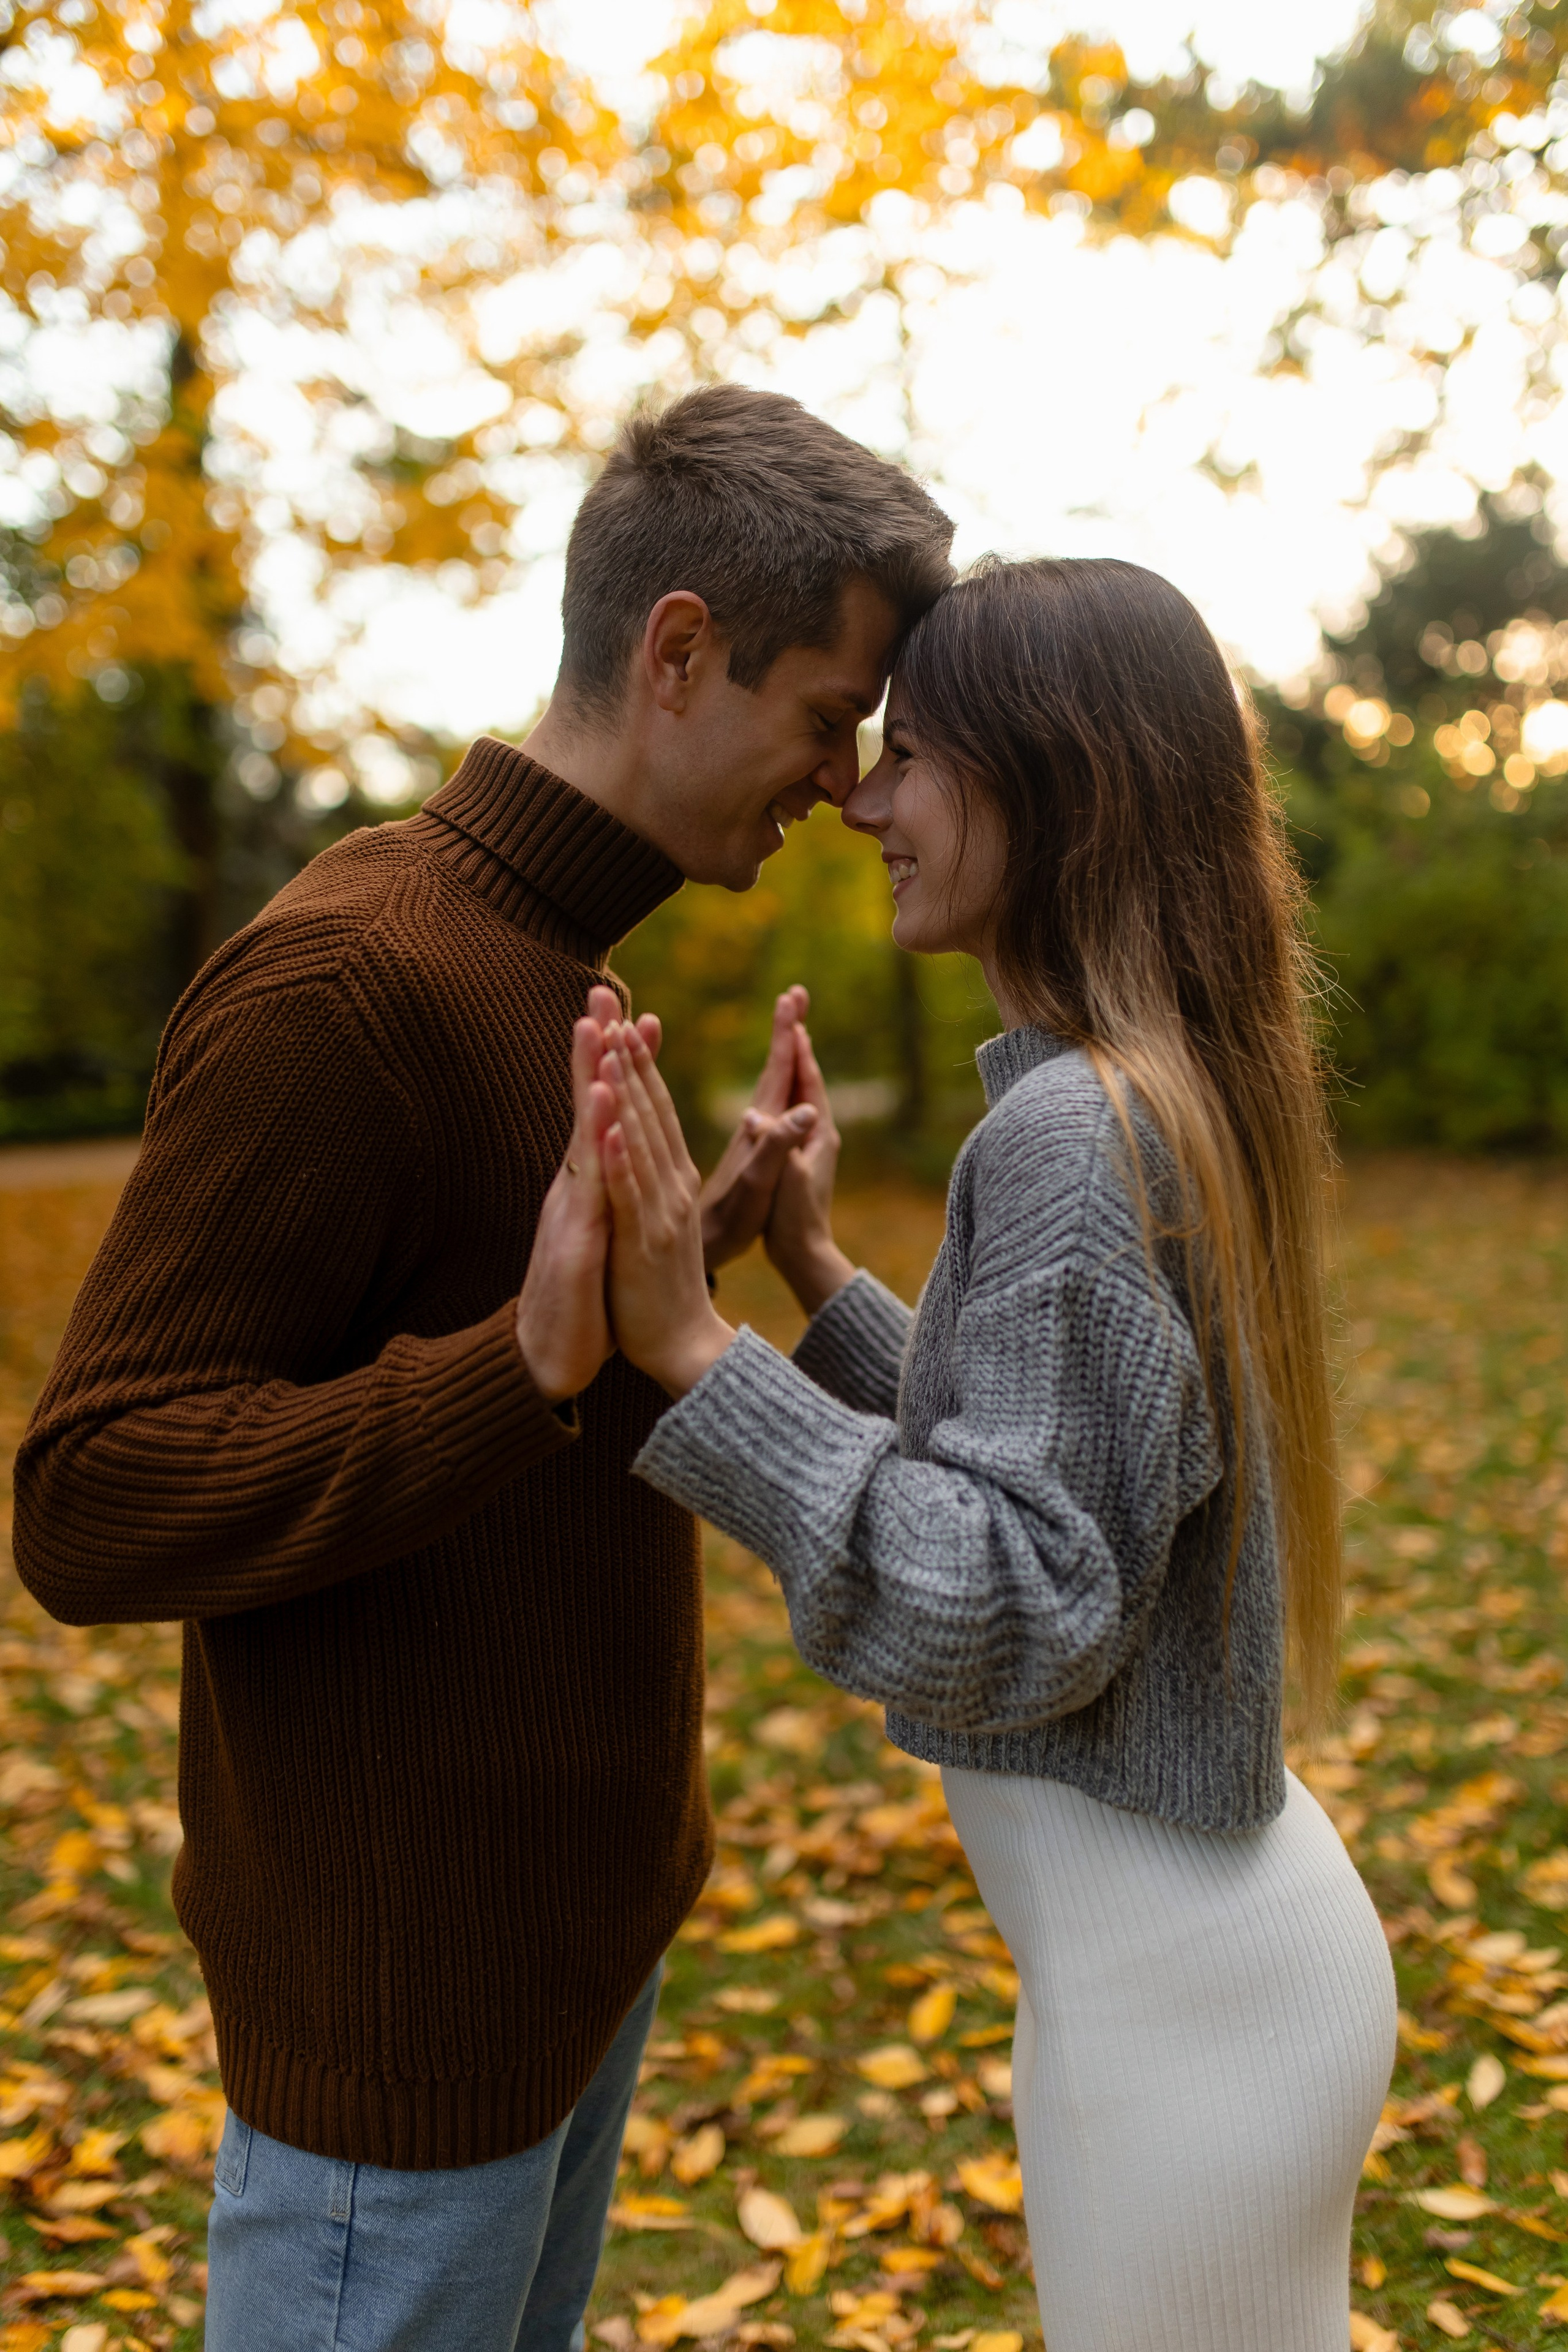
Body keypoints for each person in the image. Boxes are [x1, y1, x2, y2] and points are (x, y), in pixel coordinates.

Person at [10, 386, 954, 2352]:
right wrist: (514, 1366)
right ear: (678, 651)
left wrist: (699, 1248)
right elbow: (90, 1495)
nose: (847, 782)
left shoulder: (561, 965)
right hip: (402, 2038)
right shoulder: (350, 981)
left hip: (572, 1965)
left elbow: (532, 1354)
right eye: (827, 715)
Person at [567, 556, 1398, 2350]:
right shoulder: (1148, 1091)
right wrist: (812, 1276)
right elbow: (1073, 1465)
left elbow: (1014, 1602)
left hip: (1183, 2004)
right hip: (1197, 1970)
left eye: (914, 758)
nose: (864, 802)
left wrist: (696, 1351)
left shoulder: (1070, 1137)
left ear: (1055, 780)